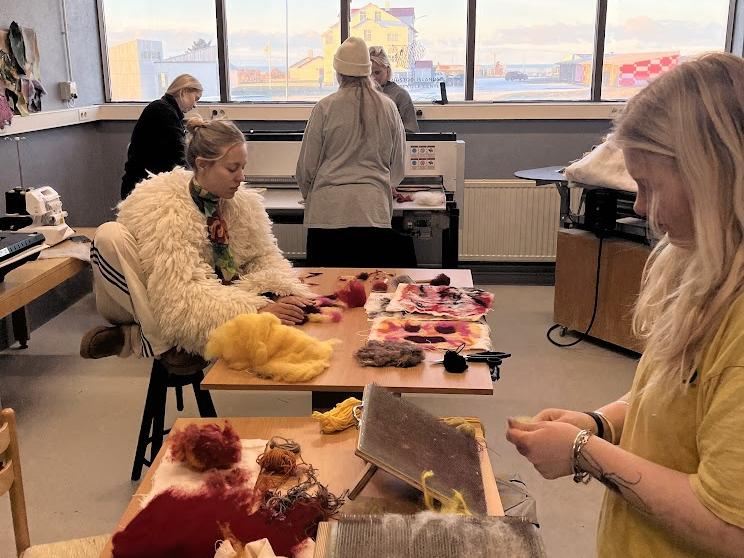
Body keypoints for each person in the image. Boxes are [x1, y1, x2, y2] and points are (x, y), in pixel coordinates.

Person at [506, 53, 744, 557]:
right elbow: (672, 399)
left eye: (651, 186)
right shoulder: (707, 274)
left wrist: (583, 452)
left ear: (713, 175)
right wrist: (598, 424)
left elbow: (729, 528)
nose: (639, 206)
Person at [82, 117, 313, 368]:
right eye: (232, 169)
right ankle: (165, 346)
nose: (241, 177)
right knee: (109, 234)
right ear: (202, 165)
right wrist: (255, 311)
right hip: (132, 295)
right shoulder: (165, 208)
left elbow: (263, 256)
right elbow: (179, 294)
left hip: (201, 295)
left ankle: (133, 339)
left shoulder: (244, 205)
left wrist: (278, 293)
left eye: (242, 167)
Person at [296, 37, 411, 267]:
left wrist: (311, 196)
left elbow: (306, 167)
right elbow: (398, 165)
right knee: (369, 286)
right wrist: (385, 186)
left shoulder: (325, 107)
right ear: (368, 72)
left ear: (338, 72)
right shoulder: (388, 107)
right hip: (372, 213)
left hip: (327, 214)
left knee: (324, 286)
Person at [120, 74, 203, 199]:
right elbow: (177, 154)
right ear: (184, 91)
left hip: (141, 183)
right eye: (196, 98)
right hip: (143, 188)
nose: (195, 105)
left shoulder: (163, 109)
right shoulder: (164, 112)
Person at [369, 45, 419, 133]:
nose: (372, 78)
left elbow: (411, 131)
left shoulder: (400, 95)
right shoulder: (361, 95)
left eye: (377, 73)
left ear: (387, 71)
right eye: (369, 73)